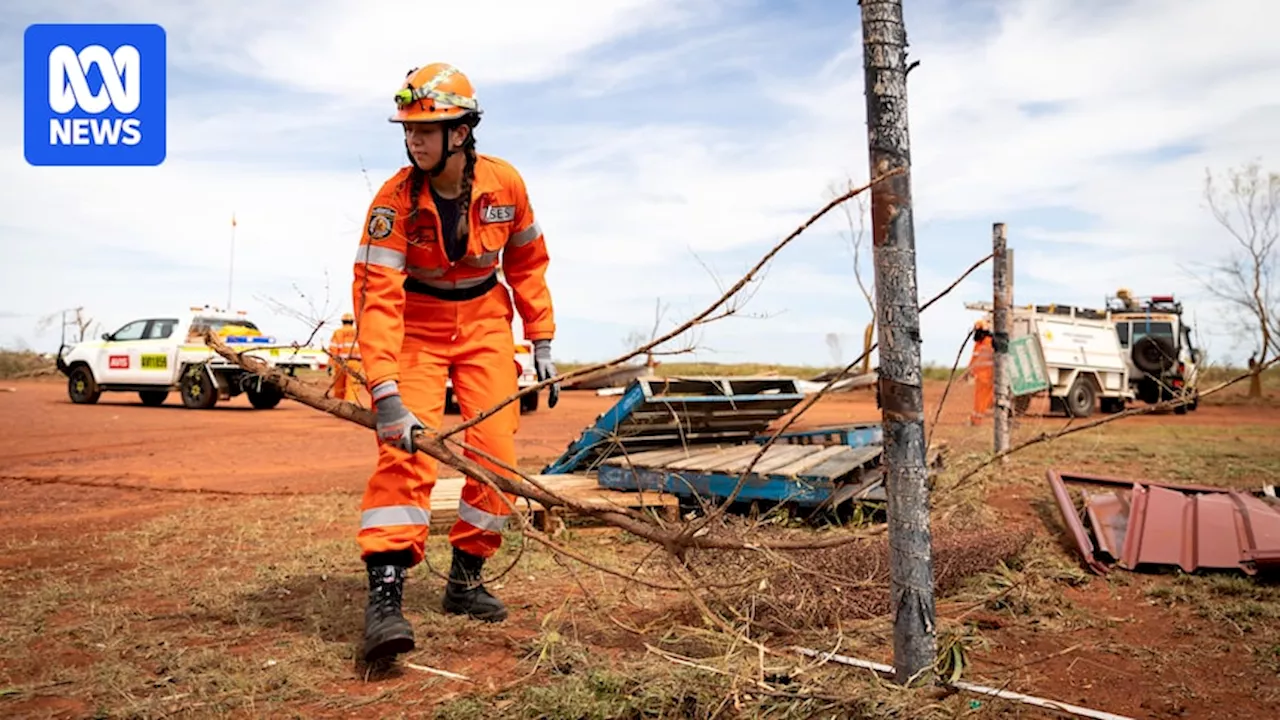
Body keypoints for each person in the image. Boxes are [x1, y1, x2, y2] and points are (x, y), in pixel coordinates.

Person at [349, 62, 560, 664]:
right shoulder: (392, 202)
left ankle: (466, 581)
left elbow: (528, 263)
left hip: (485, 323)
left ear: (461, 132)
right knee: (404, 450)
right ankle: (386, 596)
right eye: (409, 129)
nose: (414, 139)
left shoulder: (506, 185)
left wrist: (541, 339)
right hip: (414, 326)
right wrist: (386, 391)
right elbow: (376, 296)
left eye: (427, 128)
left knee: (498, 456)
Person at [327, 313, 362, 403]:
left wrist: (330, 364)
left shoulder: (338, 332)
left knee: (339, 386)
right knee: (353, 386)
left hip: (341, 363)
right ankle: (350, 405)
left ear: (342, 322)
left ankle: (339, 406)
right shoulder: (358, 332)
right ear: (352, 322)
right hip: (356, 363)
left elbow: (333, 349)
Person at [966, 318, 994, 425]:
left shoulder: (988, 342)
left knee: (982, 400)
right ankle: (976, 419)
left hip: (987, 377)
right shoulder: (980, 343)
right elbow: (974, 359)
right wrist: (970, 370)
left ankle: (977, 420)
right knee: (981, 399)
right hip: (982, 377)